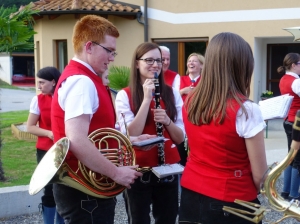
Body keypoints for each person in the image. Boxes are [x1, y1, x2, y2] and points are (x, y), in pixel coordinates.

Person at [50, 15, 153, 224]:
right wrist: (116, 173)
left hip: (84, 190)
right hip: (85, 192)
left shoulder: (83, 78)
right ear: (89, 46)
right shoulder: (82, 82)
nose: (112, 57)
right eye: (109, 50)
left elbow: (94, 132)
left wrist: (128, 141)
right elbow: (77, 139)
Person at [178, 32, 268, 224]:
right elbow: (260, 175)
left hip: (191, 192)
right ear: (242, 66)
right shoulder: (246, 109)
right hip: (231, 199)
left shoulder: (191, 99)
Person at [115, 42, 185, 224]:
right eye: (149, 60)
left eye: (159, 61)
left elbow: (180, 138)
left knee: (168, 219)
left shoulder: (172, 93)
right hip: (138, 170)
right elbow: (130, 134)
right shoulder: (124, 95)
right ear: (137, 63)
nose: (155, 65)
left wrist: (167, 121)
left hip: (167, 169)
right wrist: (146, 100)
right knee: (138, 220)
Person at [26, 66, 64, 224]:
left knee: (64, 190)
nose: (39, 86)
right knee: (49, 190)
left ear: (54, 82)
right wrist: (49, 133)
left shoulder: (65, 97)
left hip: (66, 149)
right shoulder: (38, 100)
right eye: (38, 83)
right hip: (45, 150)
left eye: (42, 82)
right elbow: (30, 127)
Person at [278, 52, 300, 201]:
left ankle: (286, 191)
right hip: (297, 122)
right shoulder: (296, 81)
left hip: (288, 121)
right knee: (298, 159)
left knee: (290, 157)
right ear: (293, 65)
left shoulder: (283, 79)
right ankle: (294, 194)